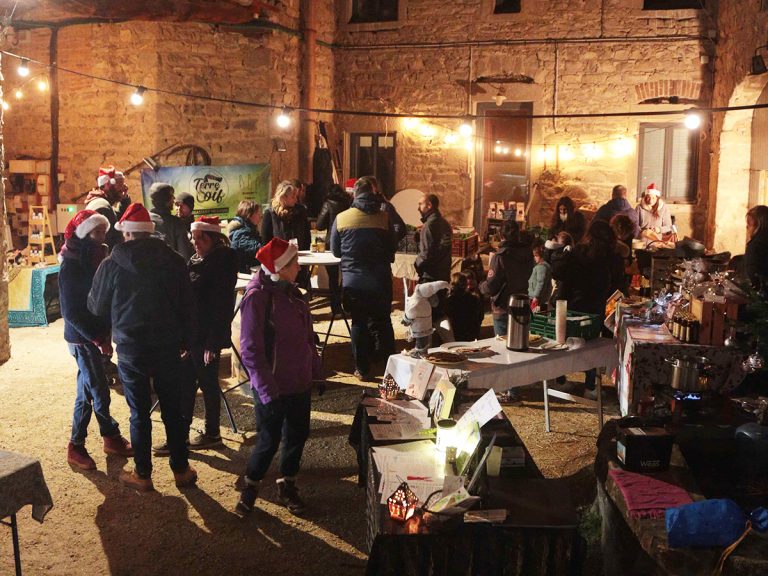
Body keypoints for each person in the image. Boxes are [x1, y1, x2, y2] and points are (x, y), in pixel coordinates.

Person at [88, 203, 198, 492]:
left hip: (131, 347)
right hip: (168, 345)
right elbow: (188, 305)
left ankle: (143, 473)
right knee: (172, 409)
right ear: (150, 234)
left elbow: (97, 307)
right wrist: (186, 340)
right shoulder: (173, 260)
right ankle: (181, 469)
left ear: (126, 235)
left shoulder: (111, 264)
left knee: (139, 412)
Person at [236, 238, 321, 517]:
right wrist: (266, 390)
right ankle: (250, 487)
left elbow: (307, 339)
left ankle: (287, 485)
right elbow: (250, 350)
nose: (299, 266)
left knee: (297, 434)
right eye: (294, 262)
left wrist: (314, 371)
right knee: (268, 440)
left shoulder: (292, 293)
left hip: (298, 381)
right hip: (272, 387)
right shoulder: (258, 297)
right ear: (282, 267)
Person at [154, 216, 238, 455]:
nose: (196, 242)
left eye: (202, 237)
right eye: (194, 237)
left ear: (214, 238)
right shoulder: (196, 260)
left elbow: (221, 307)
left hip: (206, 336)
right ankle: (180, 434)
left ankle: (212, 433)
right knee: (186, 384)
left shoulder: (221, 263)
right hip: (192, 335)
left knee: (208, 383)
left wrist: (213, 342)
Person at [59, 210, 133, 470]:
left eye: (103, 231)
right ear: (84, 234)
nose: (102, 237)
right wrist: (98, 338)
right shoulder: (71, 264)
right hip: (84, 339)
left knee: (87, 391)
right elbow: (71, 312)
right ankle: (81, 444)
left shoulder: (94, 258)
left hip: (95, 336)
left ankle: (102, 439)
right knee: (98, 392)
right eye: (97, 232)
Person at [330, 177, 398, 380]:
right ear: (373, 192)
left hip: (354, 283)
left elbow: (335, 251)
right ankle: (391, 370)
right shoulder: (384, 218)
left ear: (354, 194)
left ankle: (362, 368)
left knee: (358, 323)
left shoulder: (342, 218)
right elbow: (392, 246)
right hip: (380, 281)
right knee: (383, 322)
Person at [558, 219, 624, 400]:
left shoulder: (578, 252)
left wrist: (560, 302)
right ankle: (590, 386)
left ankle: (560, 380)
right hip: (595, 308)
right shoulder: (610, 257)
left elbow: (565, 279)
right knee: (591, 348)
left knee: (564, 345)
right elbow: (617, 286)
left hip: (573, 305)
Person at [480, 219, 534, 337]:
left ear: (501, 235)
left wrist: (481, 286)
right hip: (522, 303)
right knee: (520, 343)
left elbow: (491, 286)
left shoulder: (501, 257)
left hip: (504, 306)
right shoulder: (527, 253)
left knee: (503, 346)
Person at [316, 183, 352, 311]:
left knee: (333, 277)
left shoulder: (328, 203)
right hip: (347, 241)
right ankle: (347, 305)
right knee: (346, 274)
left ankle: (336, 307)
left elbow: (320, 225)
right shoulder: (348, 203)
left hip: (332, 242)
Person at [85, 165, 131, 251]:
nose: (123, 189)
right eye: (119, 185)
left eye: (123, 185)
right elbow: (108, 242)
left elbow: (117, 218)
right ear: (107, 185)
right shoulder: (103, 207)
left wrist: (124, 200)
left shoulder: (102, 203)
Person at [403, 280, 451, 356]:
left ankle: (422, 351)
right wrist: (406, 319)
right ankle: (420, 352)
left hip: (428, 324)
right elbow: (410, 312)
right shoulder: (416, 302)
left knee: (426, 340)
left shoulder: (425, 301)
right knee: (421, 340)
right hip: (419, 326)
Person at [148, 182, 194, 260]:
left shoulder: (144, 219)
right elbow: (184, 255)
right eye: (171, 196)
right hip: (170, 270)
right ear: (166, 200)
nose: (173, 198)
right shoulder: (175, 223)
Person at [415, 193, 453, 284]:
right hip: (444, 274)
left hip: (430, 277)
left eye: (420, 204)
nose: (418, 208)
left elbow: (426, 254)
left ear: (429, 205)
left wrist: (417, 264)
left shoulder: (429, 225)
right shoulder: (445, 223)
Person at [445, 271, 484, 342]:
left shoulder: (449, 301)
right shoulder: (474, 299)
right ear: (466, 284)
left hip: (456, 336)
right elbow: (481, 316)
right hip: (473, 335)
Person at [227, 200, 264, 274]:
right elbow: (256, 249)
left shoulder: (249, 229)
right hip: (244, 274)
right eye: (257, 213)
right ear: (249, 214)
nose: (260, 216)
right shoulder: (241, 232)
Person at [745, 205, 768, 296]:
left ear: (757, 225)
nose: (747, 228)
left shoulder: (755, 246)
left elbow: (752, 275)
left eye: (749, 225)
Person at [528, 240, 553, 313]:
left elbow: (540, 282)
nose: (534, 258)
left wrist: (536, 296)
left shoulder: (541, 267)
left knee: (536, 315)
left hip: (538, 299)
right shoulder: (542, 266)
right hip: (541, 298)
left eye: (536, 256)